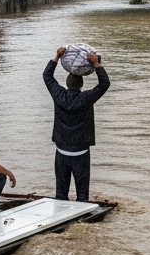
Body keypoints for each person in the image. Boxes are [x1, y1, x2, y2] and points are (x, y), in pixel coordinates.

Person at [43, 46, 110, 202]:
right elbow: (104, 84)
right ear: (81, 85)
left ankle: (60, 221)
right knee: (82, 195)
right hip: (81, 153)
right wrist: (96, 64)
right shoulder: (86, 98)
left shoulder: (58, 95)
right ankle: (82, 219)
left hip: (61, 152)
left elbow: (47, 76)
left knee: (60, 194)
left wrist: (56, 57)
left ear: (66, 84)